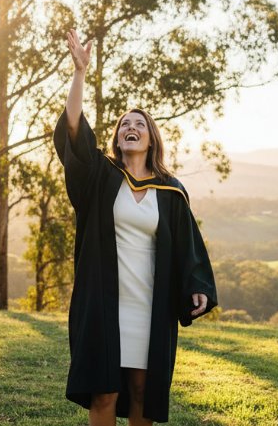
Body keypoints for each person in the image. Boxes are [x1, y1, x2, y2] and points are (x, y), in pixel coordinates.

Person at [54, 28, 218, 425]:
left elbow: (188, 246)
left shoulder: (170, 191)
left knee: (143, 390)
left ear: (151, 139)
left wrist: (198, 285)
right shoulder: (101, 177)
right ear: (117, 138)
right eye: (124, 123)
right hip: (105, 300)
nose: (131, 127)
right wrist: (79, 75)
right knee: (105, 393)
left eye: (139, 125)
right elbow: (74, 133)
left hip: (150, 302)